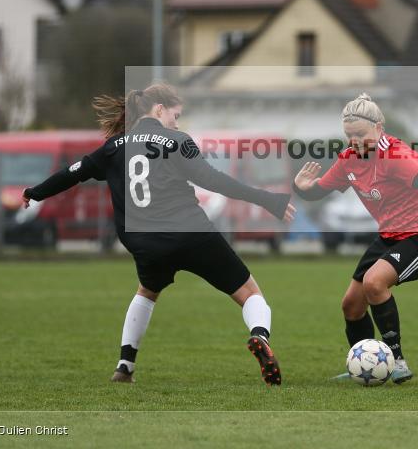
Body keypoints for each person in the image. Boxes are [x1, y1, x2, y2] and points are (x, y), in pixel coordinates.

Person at [21, 83, 295, 386]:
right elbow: (213, 180)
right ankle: (260, 337)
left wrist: (35, 193)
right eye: (175, 115)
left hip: (144, 241)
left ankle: (124, 367)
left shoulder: (113, 147)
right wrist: (267, 199)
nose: (177, 123)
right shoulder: (177, 140)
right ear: (159, 109)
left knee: (147, 292)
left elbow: (71, 173)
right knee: (250, 293)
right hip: (191, 233)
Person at [292, 93, 418, 384]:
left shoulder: (395, 154)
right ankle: (365, 365)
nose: (354, 141)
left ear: (379, 128)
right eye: (349, 135)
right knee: (351, 305)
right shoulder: (348, 160)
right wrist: (302, 188)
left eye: (360, 134)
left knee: (374, 282)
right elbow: (319, 190)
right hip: (389, 236)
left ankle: (398, 362)